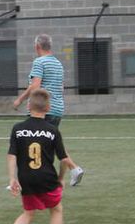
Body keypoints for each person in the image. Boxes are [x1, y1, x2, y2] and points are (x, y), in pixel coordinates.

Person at [0, 88, 82, 224]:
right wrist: (60, 178)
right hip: (46, 178)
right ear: (48, 108)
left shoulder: (18, 129)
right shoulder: (52, 130)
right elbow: (64, 159)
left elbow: (12, 155)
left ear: (28, 106)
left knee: (28, 212)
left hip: (26, 178)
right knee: (56, 209)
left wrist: (12, 178)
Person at [12, 33, 84, 187]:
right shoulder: (58, 63)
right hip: (57, 109)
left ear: (37, 46)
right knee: (52, 144)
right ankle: (74, 169)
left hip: (42, 109)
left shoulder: (39, 62)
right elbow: (61, 87)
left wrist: (20, 99)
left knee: (27, 142)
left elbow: (35, 86)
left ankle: (21, 180)